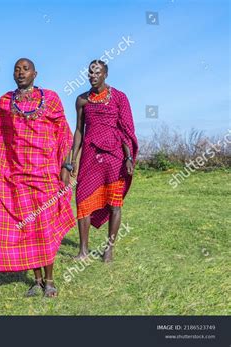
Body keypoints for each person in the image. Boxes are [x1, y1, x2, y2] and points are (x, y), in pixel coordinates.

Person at [0, 58, 76, 298]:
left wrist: (66, 166)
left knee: (45, 228)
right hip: (17, 175)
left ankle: (49, 281)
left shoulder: (51, 99)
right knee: (28, 228)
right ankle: (36, 281)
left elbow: (64, 134)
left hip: (46, 174)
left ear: (35, 73)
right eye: (16, 69)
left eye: (25, 69)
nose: (20, 73)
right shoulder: (5, 102)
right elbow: (0, 139)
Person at [72, 60, 138, 262]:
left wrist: (128, 157)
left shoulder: (119, 97)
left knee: (114, 203)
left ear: (105, 75)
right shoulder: (82, 100)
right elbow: (79, 130)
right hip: (90, 156)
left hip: (114, 157)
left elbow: (126, 130)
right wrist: (72, 158)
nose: (92, 76)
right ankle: (83, 251)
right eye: (90, 73)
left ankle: (109, 249)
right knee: (82, 199)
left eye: (97, 72)